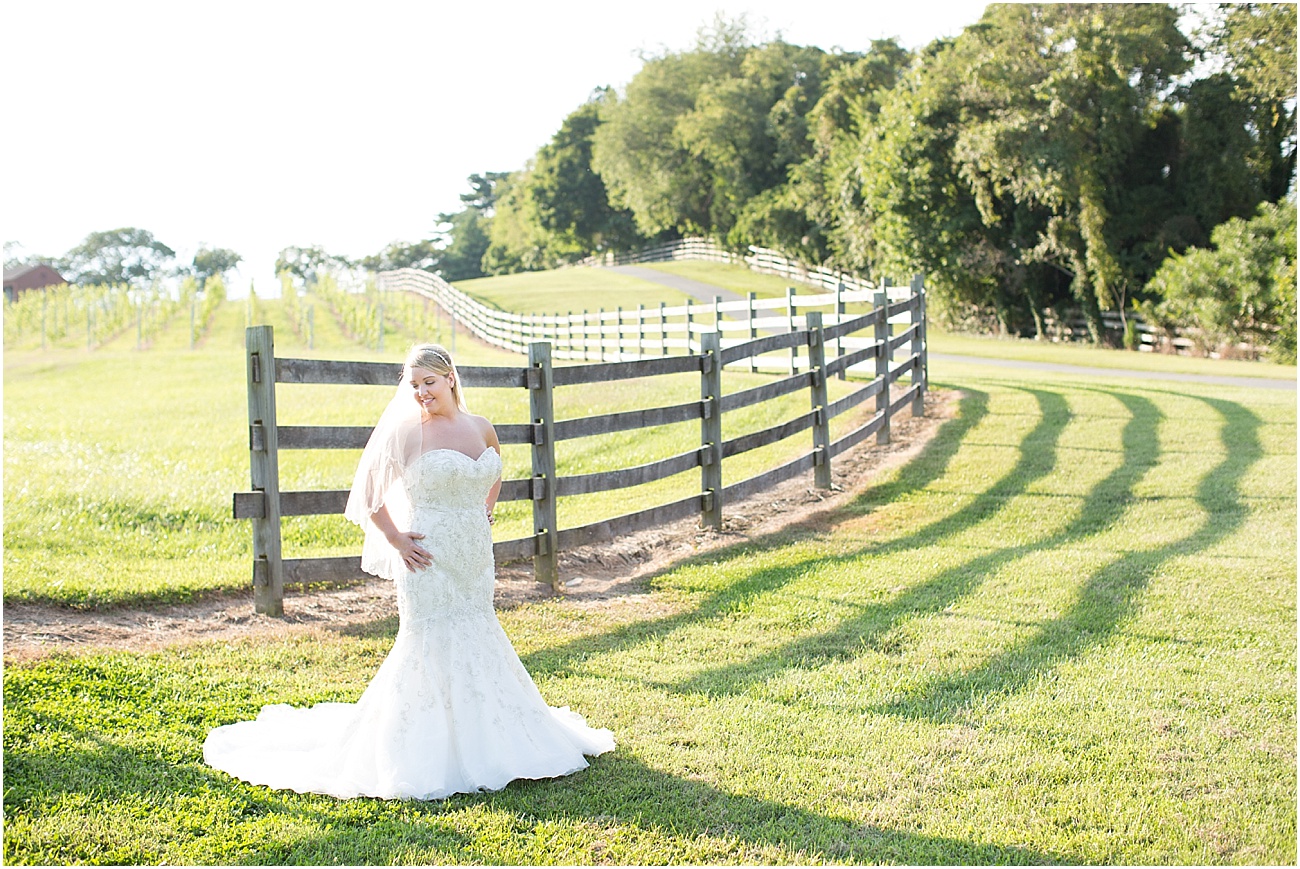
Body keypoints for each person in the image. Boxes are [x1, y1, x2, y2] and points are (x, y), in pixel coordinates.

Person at [204, 343, 614, 800]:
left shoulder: (481, 427)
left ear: (451, 378)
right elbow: (367, 497)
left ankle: (493, 734)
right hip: (428, 557)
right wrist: (397, 539)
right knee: (428, 640)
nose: (421, 392)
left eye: (429, 383)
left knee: (478, 629)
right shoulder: (406, 433)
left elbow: (494, 471)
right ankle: (423, 748)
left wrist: (485, 509)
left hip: (474, 556)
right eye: (414, 385)